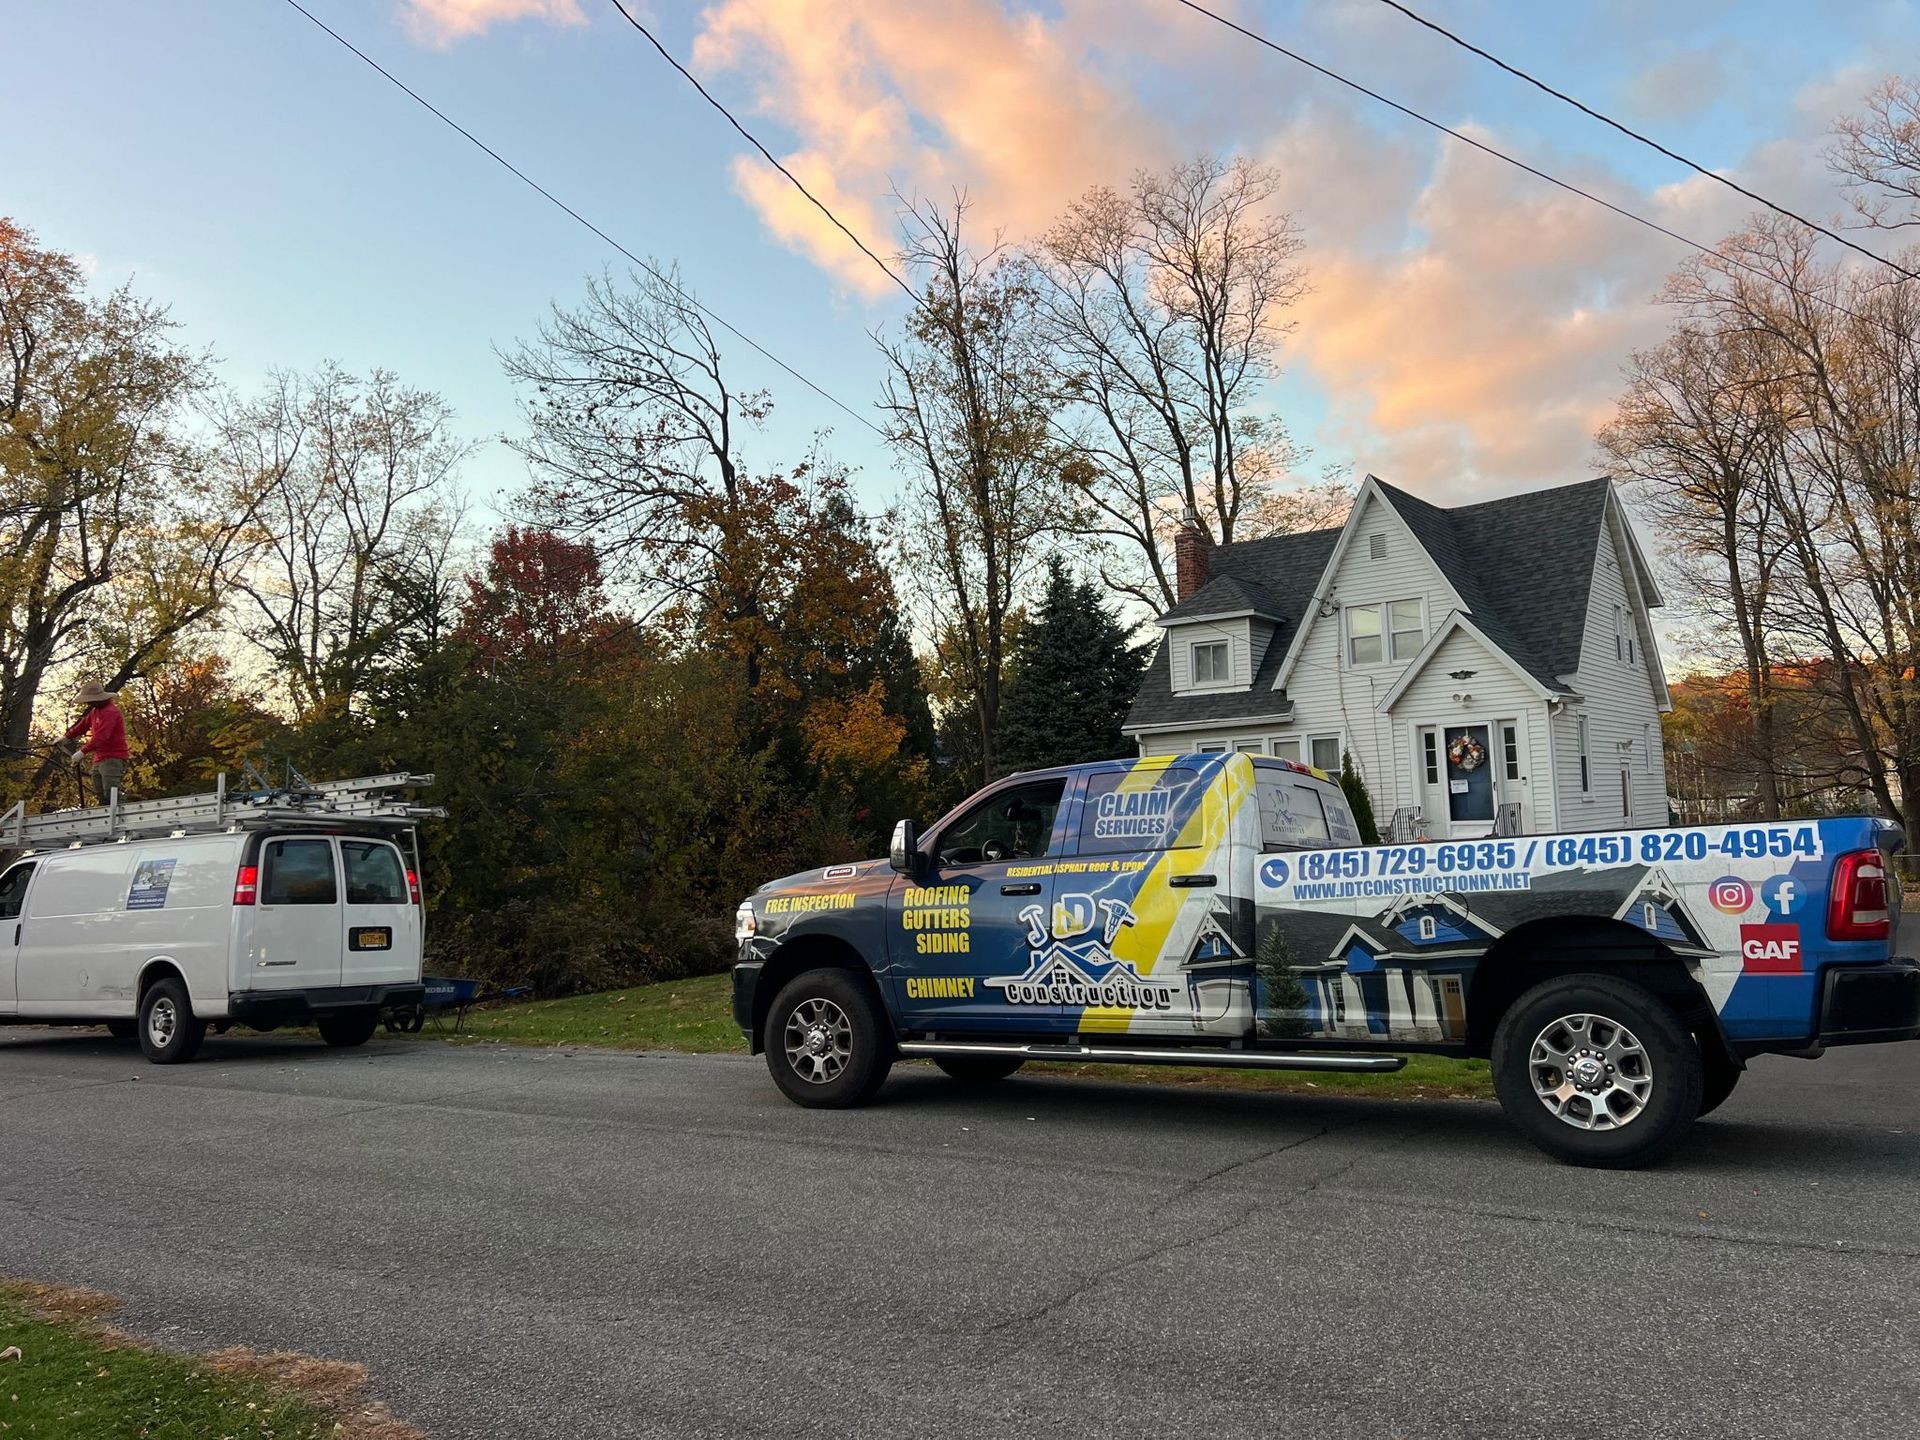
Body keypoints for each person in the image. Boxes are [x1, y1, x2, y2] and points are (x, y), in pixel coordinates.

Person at [63, 681, 130, 806]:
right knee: (99, 791)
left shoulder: (111, 712)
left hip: (113, 757)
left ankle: (119, 814)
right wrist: (65, 737)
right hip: (100, 758)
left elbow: (102, 737)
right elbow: (82, 726)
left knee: (111, 792)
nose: (88, 703)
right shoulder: (95, 711)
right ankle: (106, 816)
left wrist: (83, 751)